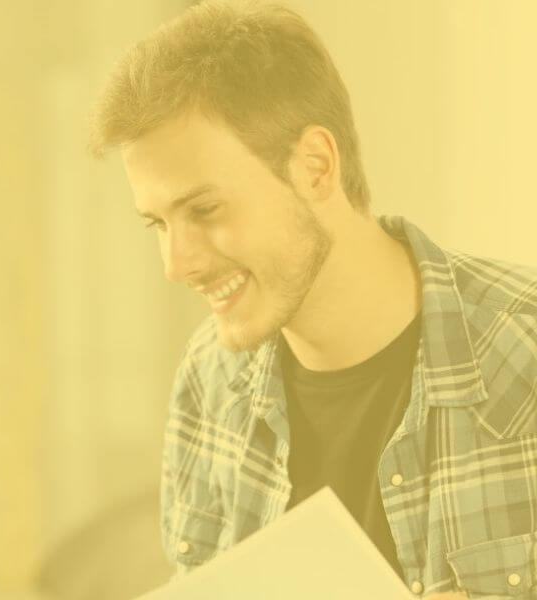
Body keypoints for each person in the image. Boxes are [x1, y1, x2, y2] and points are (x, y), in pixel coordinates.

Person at [88, 1, 537, 598]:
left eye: (204, 210)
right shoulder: (208, 383)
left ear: (316, 166)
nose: (177, 264)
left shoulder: (525, 354)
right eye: (158, 224)